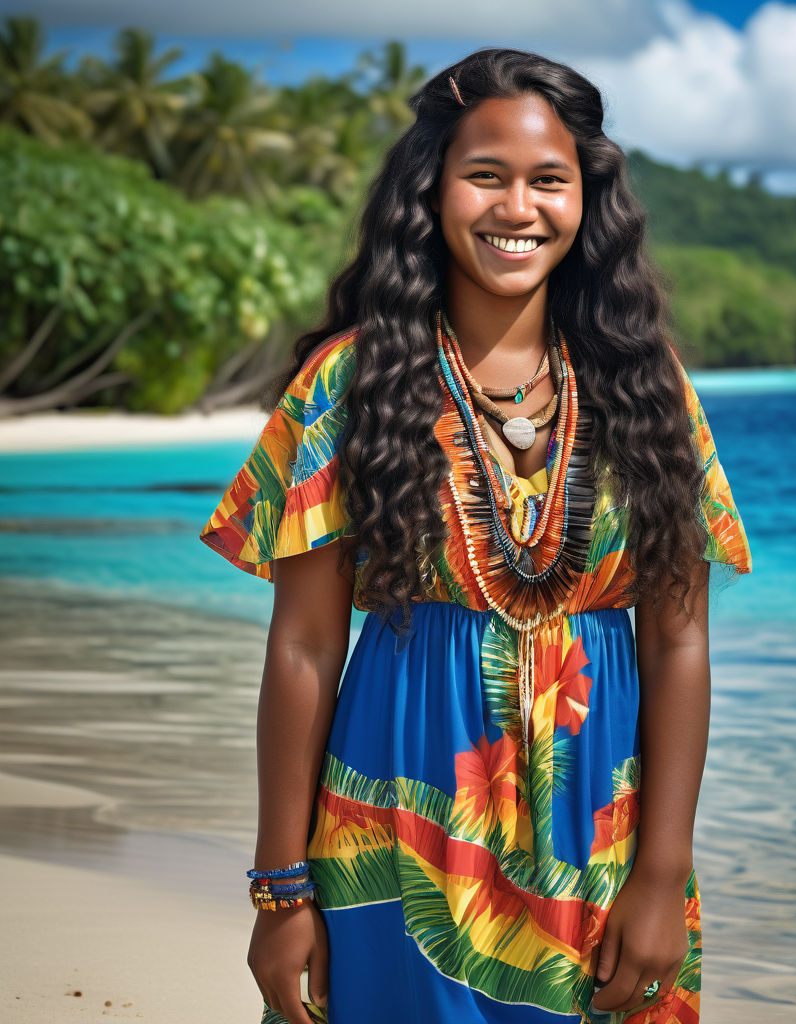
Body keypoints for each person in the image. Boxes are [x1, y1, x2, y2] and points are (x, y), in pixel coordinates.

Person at [199, 46, 751, 1024]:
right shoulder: (349, 383)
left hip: (603, 839)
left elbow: (676, 641)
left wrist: (662, 871)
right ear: (432, 190)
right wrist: (280, 891)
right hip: (396, 828)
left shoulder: (647, 385)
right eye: (484, 175)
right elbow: (304, 645)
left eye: (549, 179)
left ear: (589, 200)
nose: (516, 207)